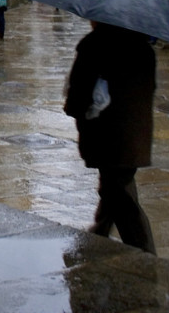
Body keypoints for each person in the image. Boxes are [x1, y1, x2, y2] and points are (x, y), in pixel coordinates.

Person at [63, 20, 157, 255]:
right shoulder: (143, 47)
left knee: (122, 197)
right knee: (114, 183)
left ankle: (146, 255)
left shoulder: (95, 45)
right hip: (135, 137)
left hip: (108, 136)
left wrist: (73, 106)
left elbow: (78, 93)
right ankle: (100, 230)